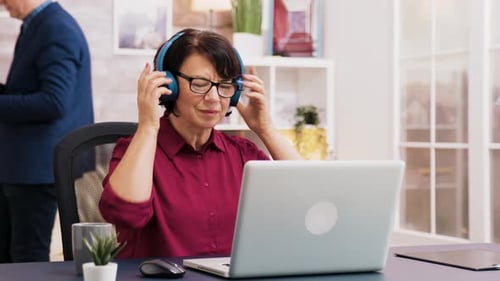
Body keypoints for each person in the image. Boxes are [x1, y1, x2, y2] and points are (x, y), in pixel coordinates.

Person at [99, 28, 301, 259]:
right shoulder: (136, 151)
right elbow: (127, 215)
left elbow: (308, 201)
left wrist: (266, 130)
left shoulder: (243, 155)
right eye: (200, 83)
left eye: (225, 85)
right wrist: (147, 125)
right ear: (169, 87)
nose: (214, 98)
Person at [0, 0, 94, 262]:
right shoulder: (40, 25)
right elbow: (30, 90)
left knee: (27, 257)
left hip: (36, 170)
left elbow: (53, 102)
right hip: (22, 167)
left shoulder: (55, 28)